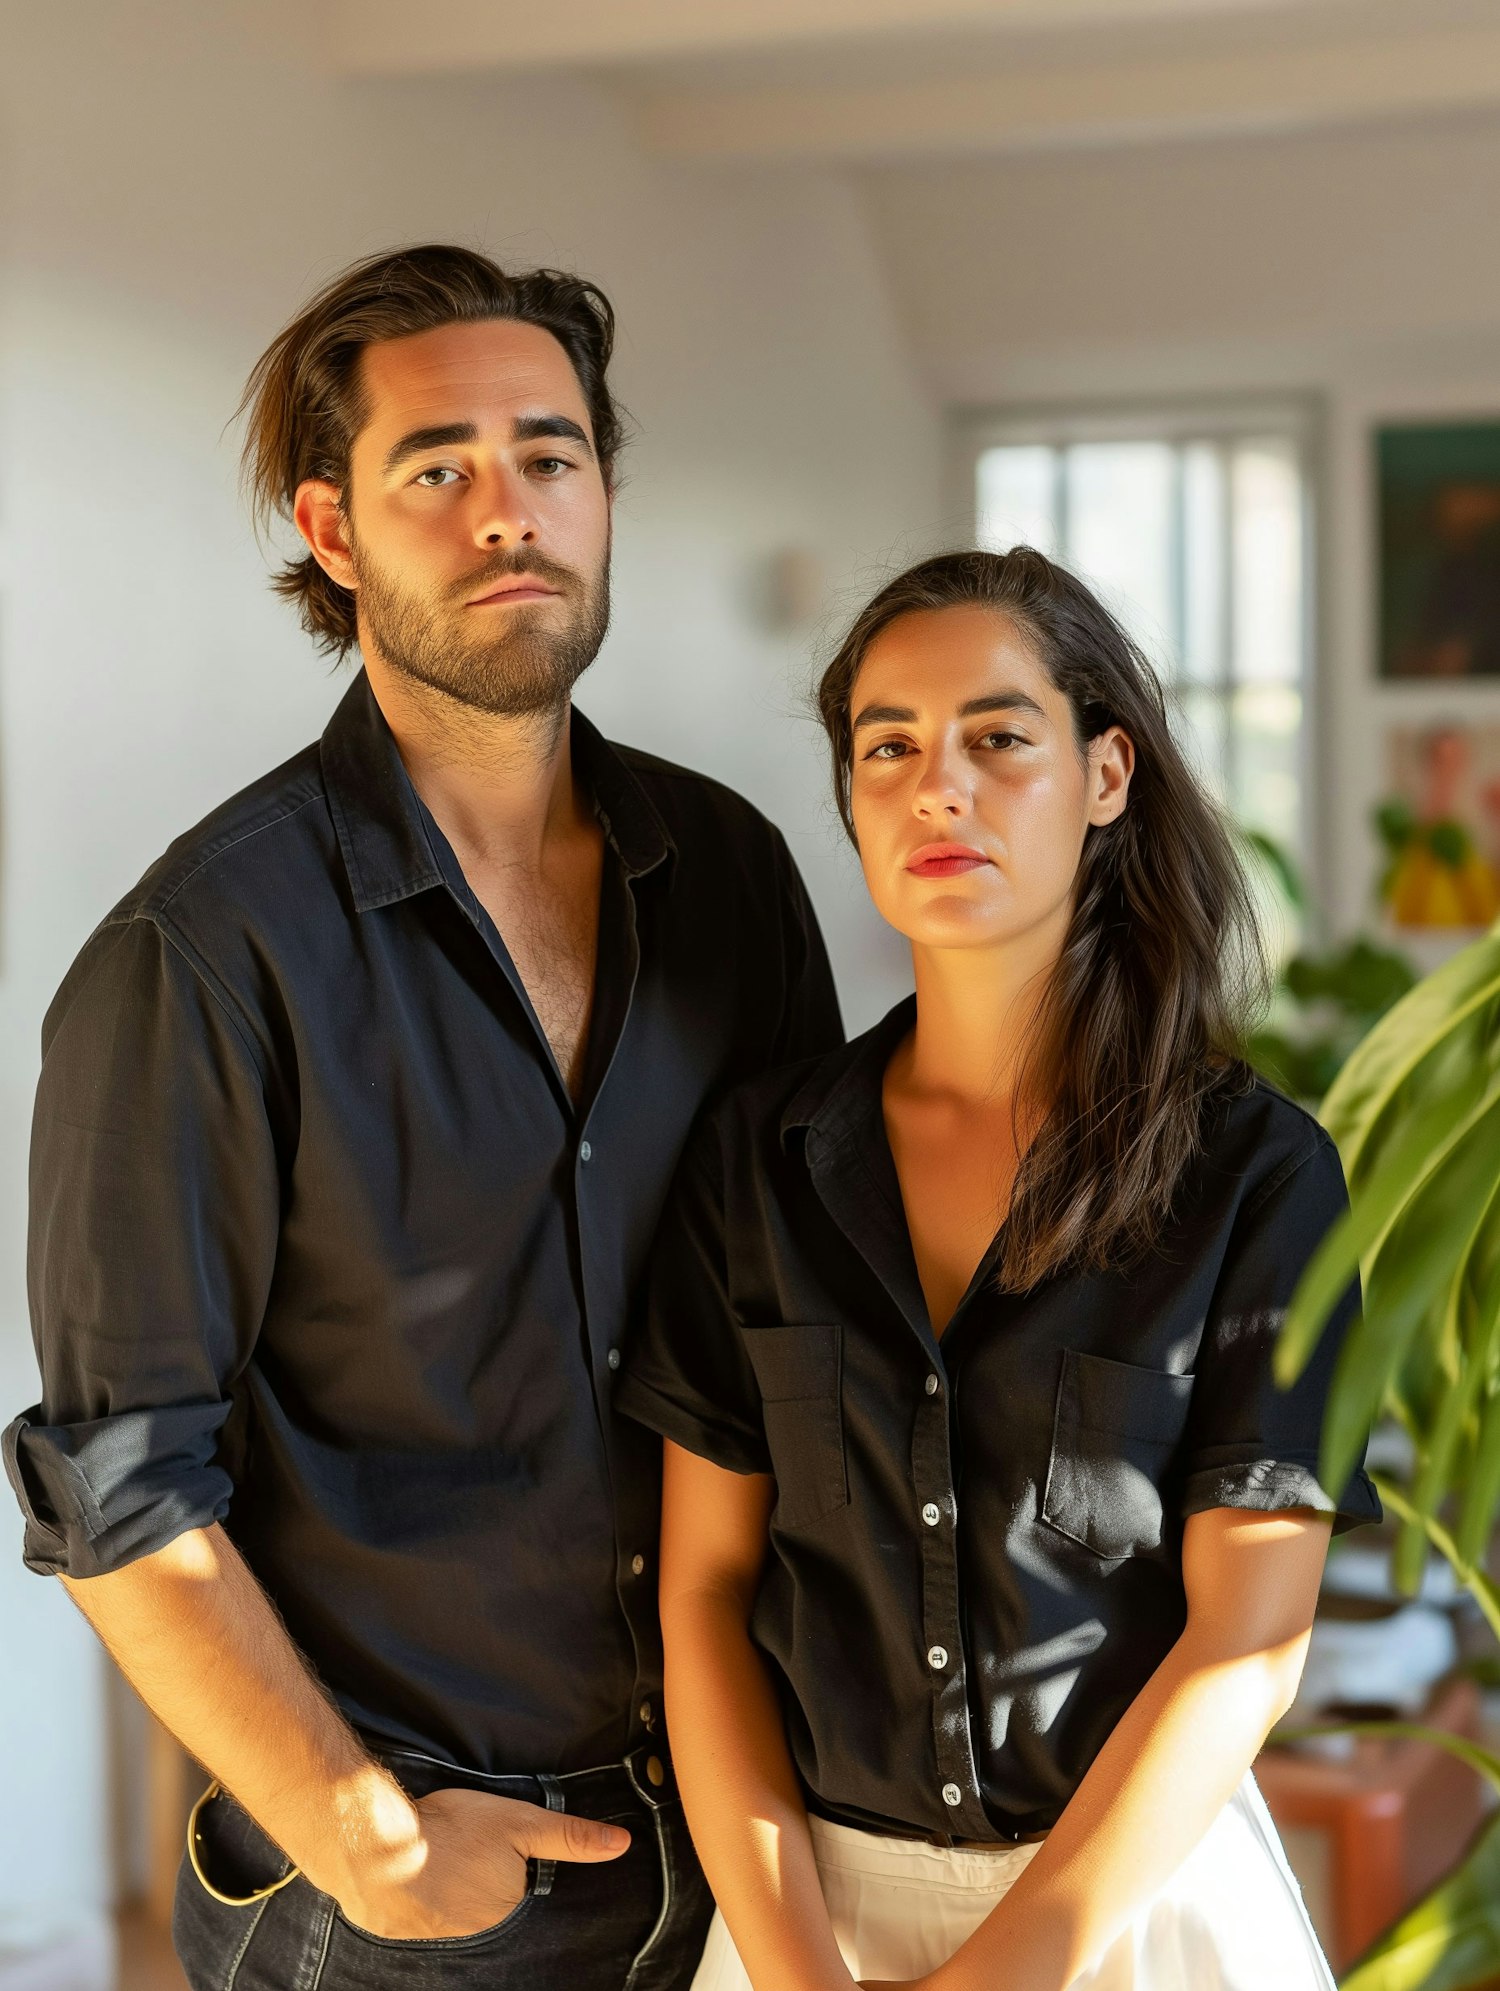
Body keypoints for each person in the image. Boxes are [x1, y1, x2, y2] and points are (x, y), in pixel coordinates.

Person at [3, 244, 842, 1991]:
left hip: (743, 1836)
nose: (507, 512)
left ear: (605, 491)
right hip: (408, 1896)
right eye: (436, 468)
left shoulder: (736, 882)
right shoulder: (204, 958)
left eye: (550, 456)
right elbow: (117, 1487)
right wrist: (367, 1840)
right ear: (333, 530)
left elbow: (811, 1319)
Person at [619, 548, 1381, 1991]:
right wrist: (793, 1970)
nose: (936, 789)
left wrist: (1009, 1970)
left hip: (1139, 1909)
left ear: (1108, 775)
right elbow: (706, 1593)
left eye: (997, 740)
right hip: (806, 1925)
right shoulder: (754, 1166)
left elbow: (1250, 1637)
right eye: (886, 748)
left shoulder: (1257, 1176)